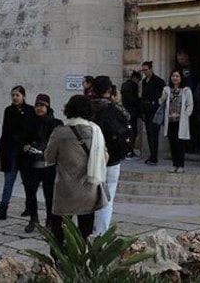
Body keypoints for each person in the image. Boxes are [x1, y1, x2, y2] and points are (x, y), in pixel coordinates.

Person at [44, 94, 108, 245]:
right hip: (89, 188)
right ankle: (83, 262)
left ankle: (59, 260)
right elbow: (105, 157)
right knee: (86, 232)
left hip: (66, 189)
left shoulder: (60, 133)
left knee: (59, 231)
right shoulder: (96, 132)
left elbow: (49, 157)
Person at [90, 75, 129, 235]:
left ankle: (88, 228)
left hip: (91, 158)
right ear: (109, 90)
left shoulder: (88, 108)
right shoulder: (114, 110)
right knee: (108, 197)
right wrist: (117, 101)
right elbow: (127, 117)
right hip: (112, 159)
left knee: (90, 196)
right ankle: (101, 232)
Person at [0, 85, 35, 220]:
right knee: (8, 180)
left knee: (27, 182)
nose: (15, 98)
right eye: (13, 95)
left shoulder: (30, 111)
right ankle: (3, 208)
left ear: (23, 96)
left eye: (17, 95)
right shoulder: (8, 111)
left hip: (25, 153)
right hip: (11, 152)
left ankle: (29, 207)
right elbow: (6, 130)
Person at [20, 94, 62, 233]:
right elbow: (22, 139)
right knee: (30, 193)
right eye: (37, 105)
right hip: (31, 164)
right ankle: (33, 218)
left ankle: (50, 220)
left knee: (49, 195)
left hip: (49, 165)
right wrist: (26, 147)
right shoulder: (28, 122)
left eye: (42, 105)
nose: (39, 108)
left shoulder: (56, 124)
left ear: (47, 106)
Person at [160, 69, 194, 173]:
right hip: (170, 121)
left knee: (180, 144)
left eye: (177, 76)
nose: (175, 78)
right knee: (172, 143)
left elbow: (190, 104)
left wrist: (186, 115)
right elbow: (161, 102)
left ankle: (181, 165)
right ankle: (174, 164)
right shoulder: (167, 90)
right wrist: (163, 96)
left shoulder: (186, 90)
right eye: (173, 76)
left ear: (181, 78)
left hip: (180, 121)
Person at [139, 61, 166, 165]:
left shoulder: (158, 81)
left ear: (151, 69)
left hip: (155, 111)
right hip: (147, 111)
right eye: (143, 70)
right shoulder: (144, 81)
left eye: (146, 70)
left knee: (154, 134)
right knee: (150, 134)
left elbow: (162, 96)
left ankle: (154, 156)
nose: (144, 72)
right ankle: (152, 155)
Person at [119, 71, 141, 158]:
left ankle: (126, 151)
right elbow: (134, 100)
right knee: (132, 132)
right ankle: (130, 151)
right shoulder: (133, 86)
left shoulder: (124, 85)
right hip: (132, 112)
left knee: (127, 132)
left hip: (125, 112)